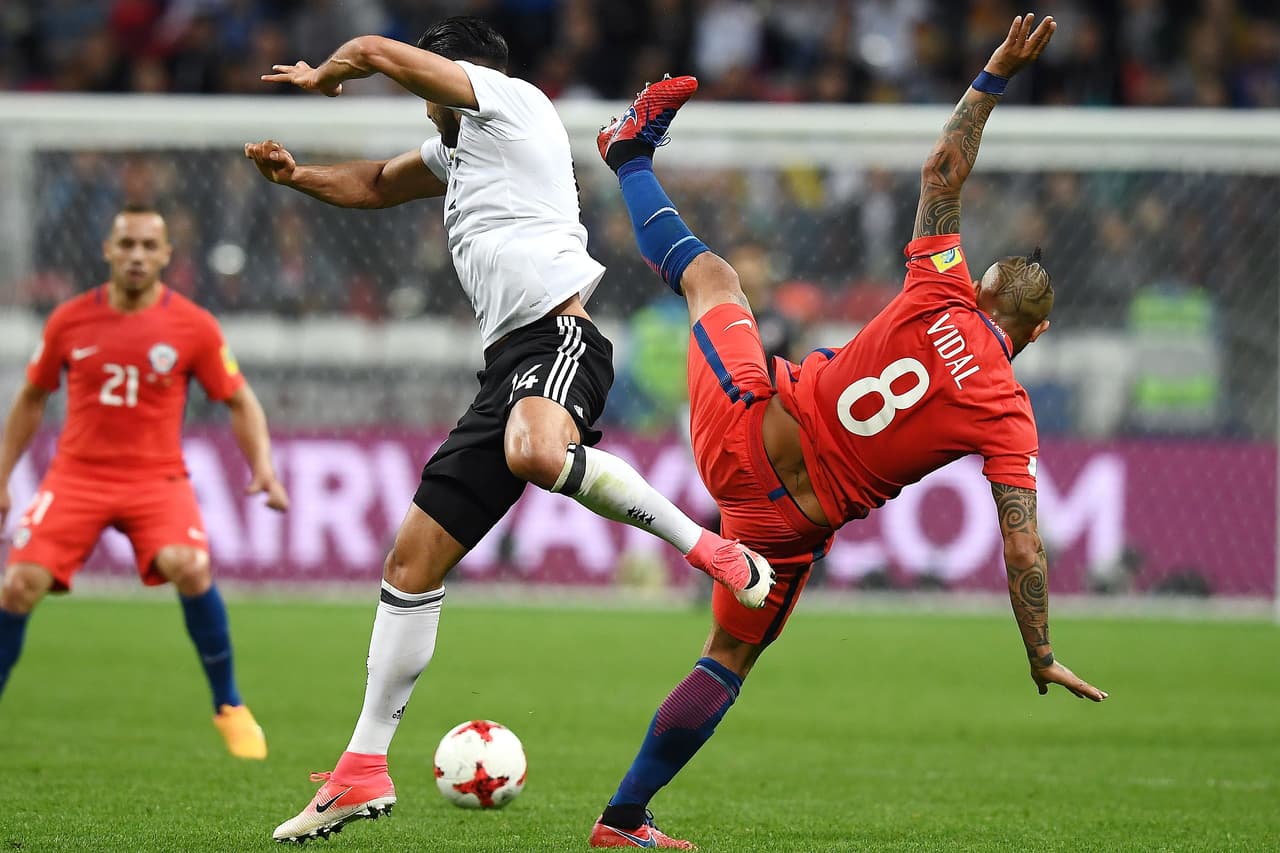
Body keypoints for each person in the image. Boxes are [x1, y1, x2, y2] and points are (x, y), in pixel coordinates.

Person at [244, 16, 774, 843]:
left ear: (458, 72)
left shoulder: (514, 104)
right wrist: (295, 177)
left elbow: (381, 53)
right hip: (505, 369)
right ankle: (360, 770)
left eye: (434, 73)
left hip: (559, 340)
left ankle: (706, 547)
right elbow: (376, 184)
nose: (422, 91)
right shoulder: (459, 152)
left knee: (533, 450)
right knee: (410, 563)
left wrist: (327, 74)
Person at [589, 14, 1109, 849]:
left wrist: (995, 74)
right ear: (1037, 336)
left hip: (746, 430)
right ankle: (621, 818)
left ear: (979, 287)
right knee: (726, 658)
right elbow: (1023, 549)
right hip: (788, 533)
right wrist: (1040, 649)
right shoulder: (1009, 413)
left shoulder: (939, 285)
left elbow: (943, 165)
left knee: (713, 277)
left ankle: (629, 156)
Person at [0, 204, 289, 760]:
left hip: (156, 479)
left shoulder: (193, 325)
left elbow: (238, 399)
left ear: (165, 256)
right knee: (17, 584)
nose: (136, 255)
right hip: (76, 475)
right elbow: (32, 398)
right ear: (107, 250)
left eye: (147, 247)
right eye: (126, 244)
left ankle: (228, 704)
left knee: (192, 565)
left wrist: (264, 469)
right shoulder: (68, 321)